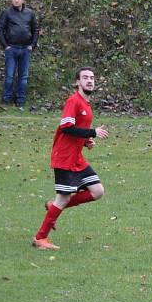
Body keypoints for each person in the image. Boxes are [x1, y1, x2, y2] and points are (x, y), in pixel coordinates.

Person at [32, 67, 109, 250]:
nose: (89, 81)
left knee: (97, 191)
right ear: (77, 82)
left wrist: (85, 141)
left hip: (77, 158)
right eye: (85, 78)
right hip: (64, 159)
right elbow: (66, 127)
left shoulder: (86, 104)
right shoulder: (73, 101)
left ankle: (53, 207)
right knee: (63, 198)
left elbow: (75, 130)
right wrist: (93, 132)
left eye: (92, 78)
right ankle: (40, 238)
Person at [0, 0, 39, 107]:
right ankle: (6, 100)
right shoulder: (7, 13)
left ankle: (20, 101)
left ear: (23, 0)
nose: (16, 1)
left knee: (23, 77)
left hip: (26, 49)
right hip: (12, 48)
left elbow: (35, 29)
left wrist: (32, 45)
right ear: (11, 0)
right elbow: (0, 29)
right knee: (9, 76)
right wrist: (5, 46)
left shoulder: (30, 13)